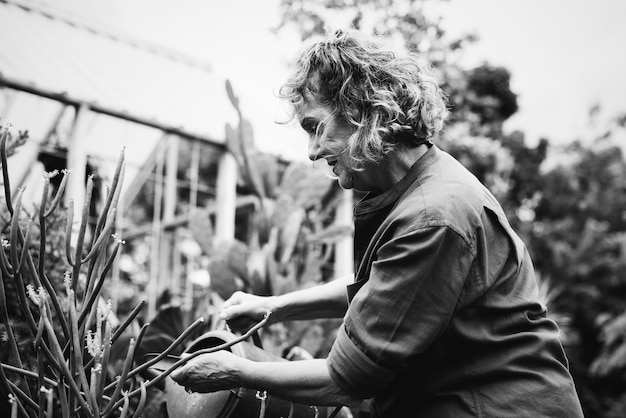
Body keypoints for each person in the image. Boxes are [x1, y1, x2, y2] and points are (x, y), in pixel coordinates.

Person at [171, 29, 585, 417]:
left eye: (315, 128)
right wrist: (273, 307)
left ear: (361, 110)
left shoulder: (432, 216)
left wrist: (233, 371)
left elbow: (346, 381)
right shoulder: (416, 185)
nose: (312, 152)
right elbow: (379, 289)